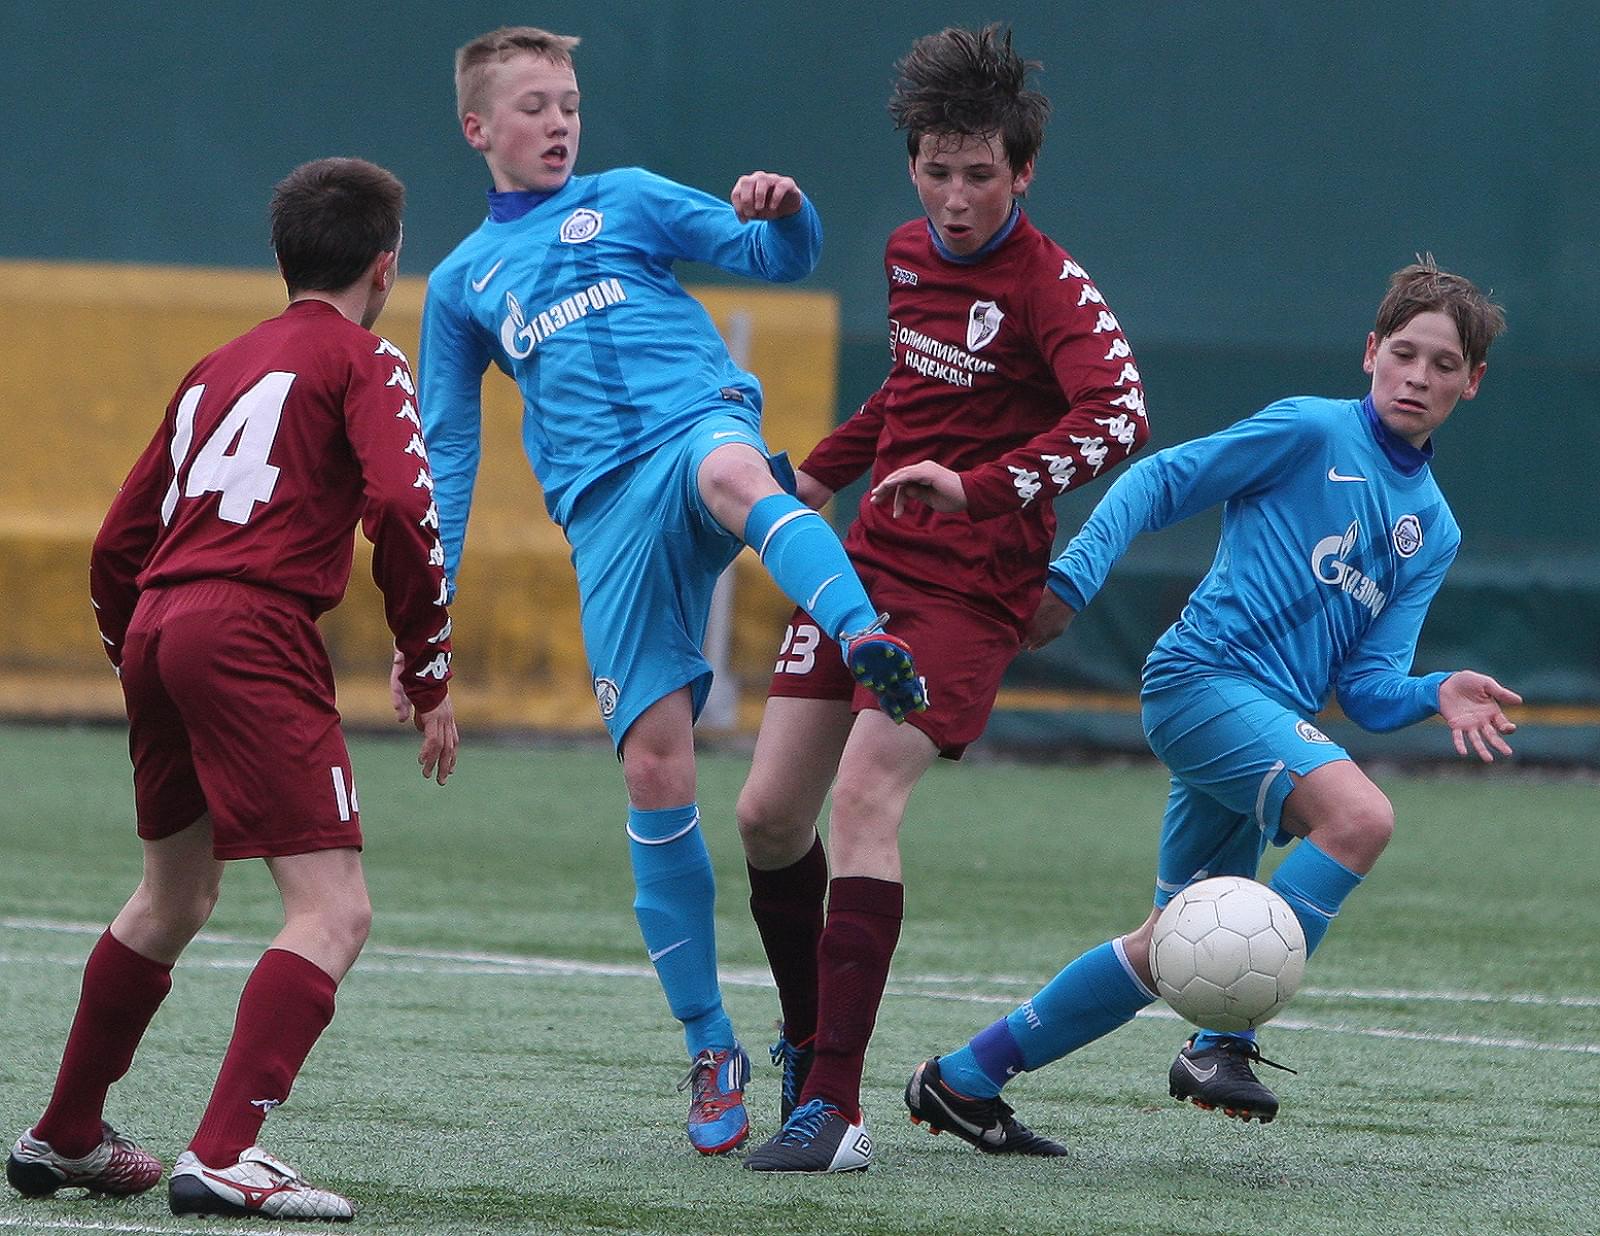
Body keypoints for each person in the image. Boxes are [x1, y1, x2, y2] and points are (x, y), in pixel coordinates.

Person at [416, 27, 924, 1157]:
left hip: (692, 430)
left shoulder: (631, 197)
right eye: (535, 105)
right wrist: (428, 612)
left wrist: (782, 209)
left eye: (571, 102)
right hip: (601, 517)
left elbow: (775, 258)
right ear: (478, 129)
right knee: (655, 767)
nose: (559, 122)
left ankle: (860, 634)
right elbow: (447, 457)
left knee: (738, 469)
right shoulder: (458, 285)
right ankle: (710, 1044)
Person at [905, 257, 1519, 1151]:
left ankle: (963, 1081)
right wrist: (1074, 576)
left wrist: (1437, 691)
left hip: (1265, 719)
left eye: (1445, 364)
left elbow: (1368, 692)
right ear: (1371, 353)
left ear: (1474, 383)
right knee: (1361, 819)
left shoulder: (1436, 527)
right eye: (1406, 353)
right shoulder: (1311, 430)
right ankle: (1224, 1039)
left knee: (1171, 947)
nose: (1420, 377)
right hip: (1202, 681)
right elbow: (1158, 481)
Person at [5, 157, 459, 1222]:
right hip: (252, 626)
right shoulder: (364, 360)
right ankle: (223, 1152)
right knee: (334, 910)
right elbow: (401, 506)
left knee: (174, 896)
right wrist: (429, 666)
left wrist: (141, 653)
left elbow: (119, 540)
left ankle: (65, 1133)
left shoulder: (217, 365)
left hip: (161, 621)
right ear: (385, 266)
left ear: (282, 258)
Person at [736, 25, 1150, 1173]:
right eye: (936, 168)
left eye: (980, 174)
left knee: (865, 800)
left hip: (971, 593)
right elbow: (906, 393)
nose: (956, 197)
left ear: (1022, 173)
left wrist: (979, 492)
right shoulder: (909, 252)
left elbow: (1120, 419)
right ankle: (809, 1044)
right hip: (862, 570)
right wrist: (812, 480)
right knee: (768, 816)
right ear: (913, 164)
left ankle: (832, 1108)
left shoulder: (1051, 285)